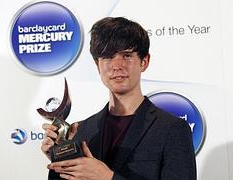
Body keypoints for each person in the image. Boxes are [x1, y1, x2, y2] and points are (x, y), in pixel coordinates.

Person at [41, 17, 197, 180]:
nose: (117, 65)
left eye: (127, 55)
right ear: (97, 65)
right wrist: (60, 159)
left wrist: (108, 177)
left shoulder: (172, 129)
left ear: (144, 62)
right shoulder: (81, 131)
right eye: (108, 57)